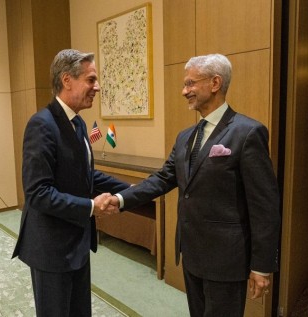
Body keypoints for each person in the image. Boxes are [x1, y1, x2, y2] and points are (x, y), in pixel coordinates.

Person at [102, 53, 281, 317]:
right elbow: (164, 178)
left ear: (215, 83)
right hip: (192, 254)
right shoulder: (185, 136)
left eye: (190, 83)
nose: (184, 91)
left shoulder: (247, 132)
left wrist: (261, 265)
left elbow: (264, 204)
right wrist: (122, 199)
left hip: (226, 259)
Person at [12, 49, 130, 317]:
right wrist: (91, 206)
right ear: (67, 80)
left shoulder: (78, 123)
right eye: (91, 80)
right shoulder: (42, 124)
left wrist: (130, 190)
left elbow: (88, 176)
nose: (97, 87)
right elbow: (37, 193)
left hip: (77, 241)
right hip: (51, 247)